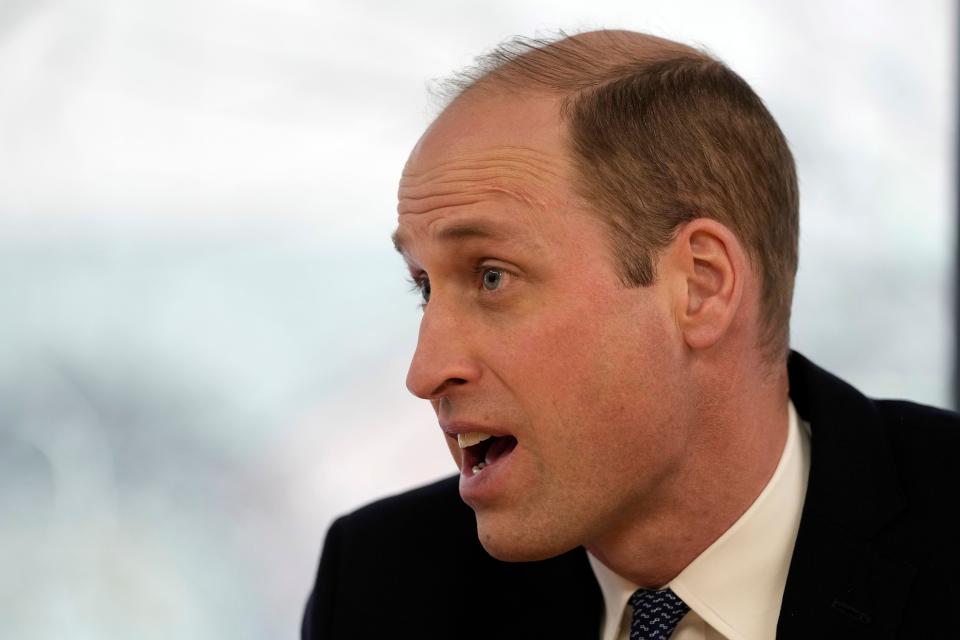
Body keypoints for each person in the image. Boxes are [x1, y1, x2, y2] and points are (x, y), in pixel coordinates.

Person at [302, 30, 960, 639]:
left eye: (492, 277)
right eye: (424, 287)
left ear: (700, 286)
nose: (425, 372)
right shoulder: (380, 585)